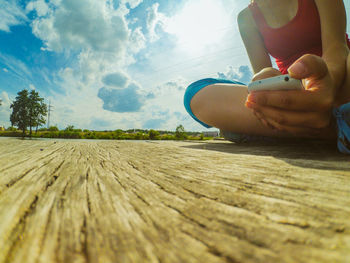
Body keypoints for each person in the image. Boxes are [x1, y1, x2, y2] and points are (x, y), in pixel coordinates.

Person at [183, 0, 350, 153]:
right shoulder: (246, 18)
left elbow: (336, 48)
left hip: (341, 78)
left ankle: (310, 128)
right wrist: (265, 79)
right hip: (294, 93)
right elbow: (262, 72)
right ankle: (333, 124)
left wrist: (326, 87)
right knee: (196, 94)